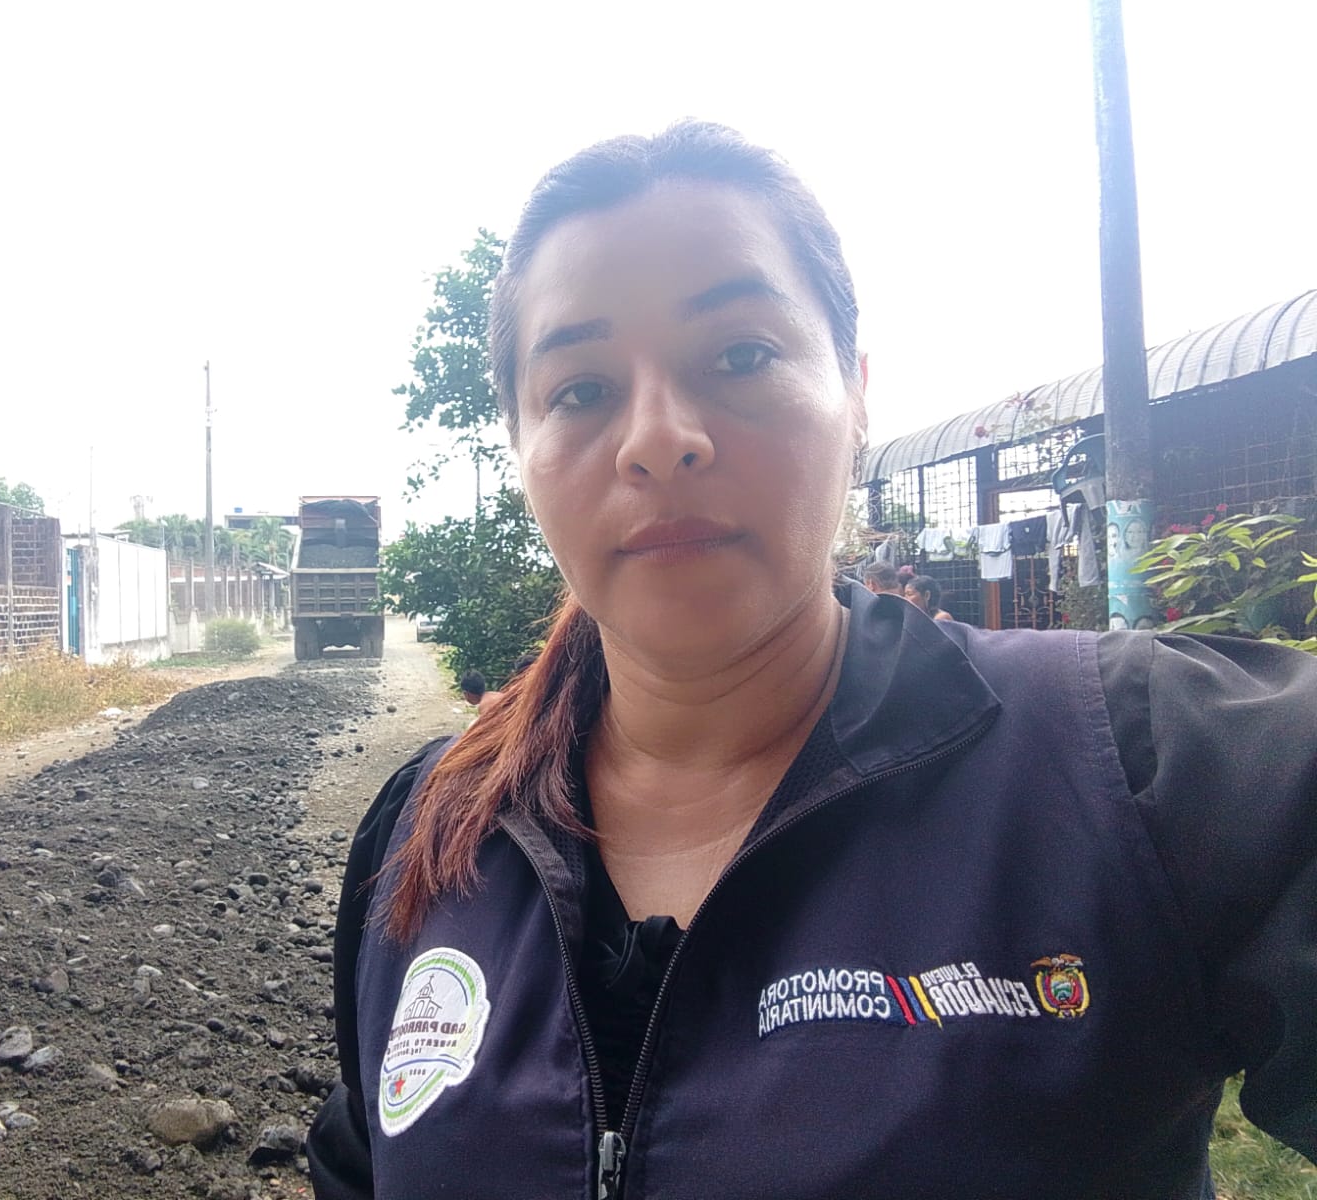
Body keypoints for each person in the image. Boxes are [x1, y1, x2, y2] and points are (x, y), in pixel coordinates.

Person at [309, 122, 1317, 1198]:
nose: (657, 437)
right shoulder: (427, 832)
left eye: (740, 355)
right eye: (579, 390)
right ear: (521, 445)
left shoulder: (1138, 764)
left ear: (856, 392)